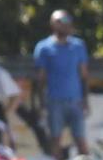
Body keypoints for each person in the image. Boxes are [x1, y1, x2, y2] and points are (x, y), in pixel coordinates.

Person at [32, 13, 91, 152]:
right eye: (60, 21)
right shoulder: (43, 47)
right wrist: (41, 104)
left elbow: (84, 75)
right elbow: (40, 79)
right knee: (55, 140)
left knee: (80, 140)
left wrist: (86, 100)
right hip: (54, 102)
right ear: (53, 24)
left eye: (67, 22)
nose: (65, 25)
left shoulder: (78, 46)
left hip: (75, 101)